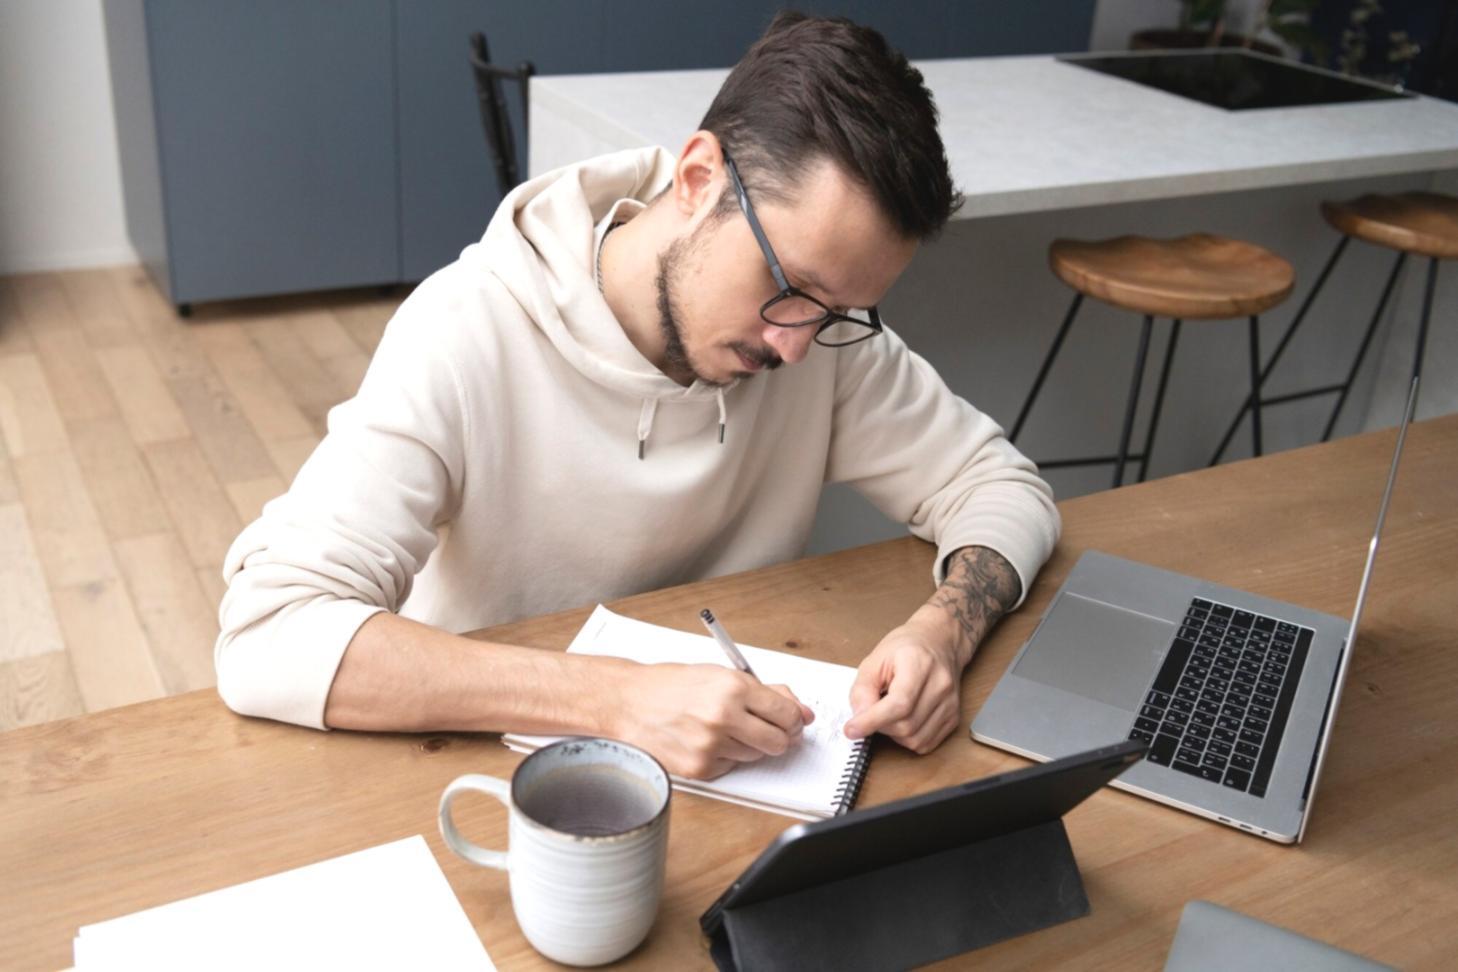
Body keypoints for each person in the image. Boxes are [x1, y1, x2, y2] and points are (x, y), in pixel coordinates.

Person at [216, 13, 1059, 780]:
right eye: (789, 286)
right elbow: (269, 633)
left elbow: (1002, 486)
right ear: (698, 179)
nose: (796, 345)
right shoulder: (466, 329)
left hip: (743, 773)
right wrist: (613, 699)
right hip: (481, 775)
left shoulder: (818, 345)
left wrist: (942, 632)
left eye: (837, 312)